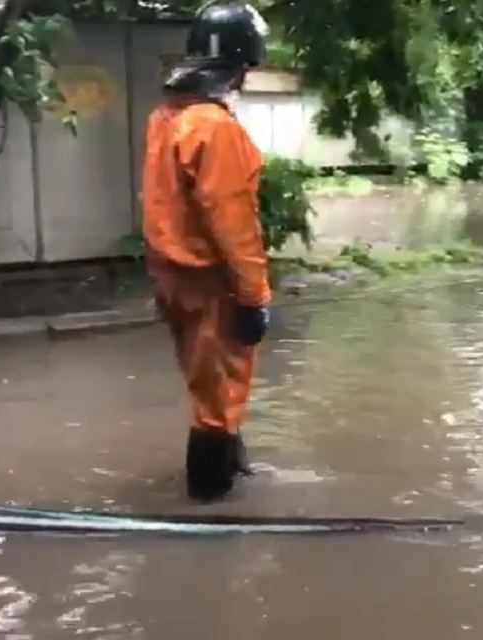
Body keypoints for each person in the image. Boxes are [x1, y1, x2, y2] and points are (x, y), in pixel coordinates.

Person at [140, 1, 271, 502]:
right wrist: (254, 295)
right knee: (220, 398)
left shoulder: (165, 118)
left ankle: (232, 472)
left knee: (208, 387)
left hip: (173, 277)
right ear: (239, 68)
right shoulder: (214, 128)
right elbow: (232, 221)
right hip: (211, 281)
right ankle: (211, 505)